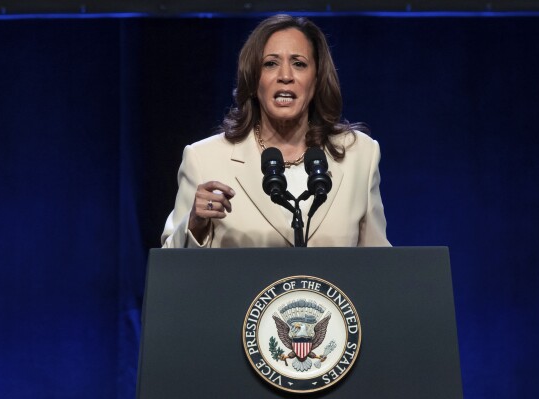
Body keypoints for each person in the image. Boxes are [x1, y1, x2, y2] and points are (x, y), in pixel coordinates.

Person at [162, 14, 391, 248]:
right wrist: (194, 225)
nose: (285, 76)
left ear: (317, 78)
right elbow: (170, 268)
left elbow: (379, 266)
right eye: (270, 63)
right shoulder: (205, 159)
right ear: (253, 79)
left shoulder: (360, 155)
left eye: (299, 64)